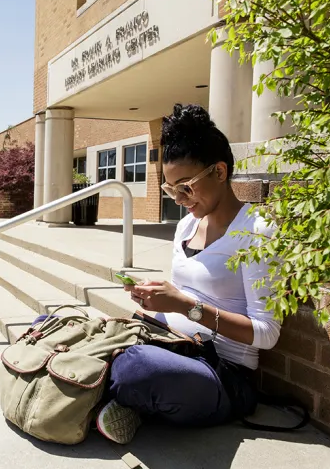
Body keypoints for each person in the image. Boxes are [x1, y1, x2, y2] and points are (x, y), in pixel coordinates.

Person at [95, 104, 281, 445]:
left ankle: (112, 393)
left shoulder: (256, 231)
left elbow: (266, 334)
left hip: (222, 372)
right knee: (79, 332)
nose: (179, 199)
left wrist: (186, 307)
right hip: (170, 345)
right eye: (170, 189)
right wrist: (157, 297)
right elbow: (181, 294)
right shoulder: (186, 225)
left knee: (137, 369)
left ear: (220, 172)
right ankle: (123, 396)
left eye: (186, 187)